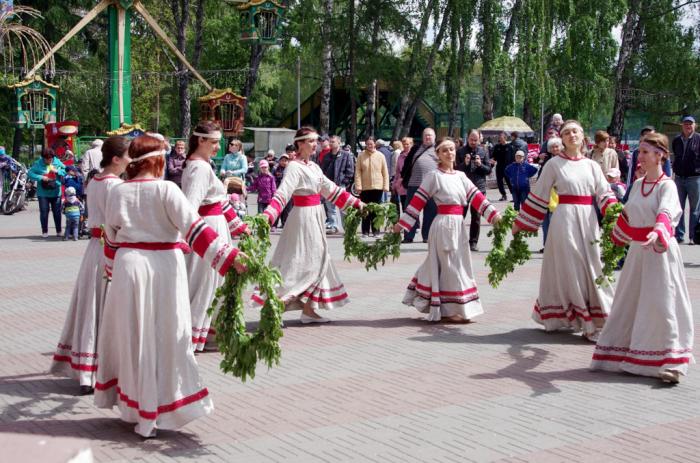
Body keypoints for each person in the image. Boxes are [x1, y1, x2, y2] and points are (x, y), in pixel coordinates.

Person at [95, 134, 247, 438]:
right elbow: (196, 230)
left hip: (128, 267)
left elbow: (110, 241)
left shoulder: (118, 192)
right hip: (163, 267)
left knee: (134, 336)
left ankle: (137, 407)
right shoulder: (167, 190)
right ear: (157, 161)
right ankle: (163, 407)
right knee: (167, 335)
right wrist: (230, 258)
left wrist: (112, 273)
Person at [591, 132, 693, 384]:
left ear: (661, 156)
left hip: (659, 253)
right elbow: (628, 216)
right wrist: (614, 238)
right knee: (630, 302)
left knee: (662, 304)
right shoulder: (637, 185)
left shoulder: (667, 185)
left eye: (646, 152)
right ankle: (627, 354)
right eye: (641, 152)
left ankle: (672, 362)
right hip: (637, 252)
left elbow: (667, 213)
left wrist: (658, 232)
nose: (641, 157)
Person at [512, 119, 618, 342]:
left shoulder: (591, 166)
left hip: (589, 220)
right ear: (561, 138)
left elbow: (605, 194)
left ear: (582, 136)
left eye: (575, 131)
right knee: (570, 266)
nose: (572, 135)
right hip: (564, 220)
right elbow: (539, 195)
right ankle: (581, 320)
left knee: (593, 265)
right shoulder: (553, 164)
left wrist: (617, 215)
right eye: (567, 132)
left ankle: (598, 315)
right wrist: (520, 223)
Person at [255, 127, 364, 323]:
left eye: (316, 141)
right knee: (300, 261)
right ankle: (276, 305)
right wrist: (268, 216)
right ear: (300, 143)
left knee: (318, 259)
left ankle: (308, 310)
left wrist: (358, 203)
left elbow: (330, 189)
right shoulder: (294, 167)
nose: (316, 144)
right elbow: (283, 193)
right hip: (302, 218)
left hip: (315, 216)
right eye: (311, 141)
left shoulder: (313, 167)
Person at [50, 136, 131, 394]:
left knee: (91, 307)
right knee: (107, 309)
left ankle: (87, 371)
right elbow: (120, 222)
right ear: (116, 159)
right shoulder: (116, 185)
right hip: (110, 249)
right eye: (128, 155)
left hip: (93, 250)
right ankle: (104, 371)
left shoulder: (93, 181)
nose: (132, 160)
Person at [393, 138, 501, 322]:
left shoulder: (460, 176)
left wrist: (495, 216)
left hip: (459, 226)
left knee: (457, 265)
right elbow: (417, 201)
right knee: (450, 266)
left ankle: (442, 302)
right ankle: (451, 309)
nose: (449, 153)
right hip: (443, 226)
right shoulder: (434, 176)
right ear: (438, 155)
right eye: (444, 150)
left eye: (451, 149)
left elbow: (477, 198)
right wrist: (402, 224)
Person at [181, 122, 250, 352]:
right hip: (207, 231)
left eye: (218, 142)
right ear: (199, 140)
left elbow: (220, 201)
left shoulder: (203, 165)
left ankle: (209, 333)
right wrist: (196, 239)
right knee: (204, 282)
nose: (217, 147)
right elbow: (190, 207)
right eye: (213, 142)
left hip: (215, 228)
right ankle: (189, 336)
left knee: (213, 282)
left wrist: (238, 226)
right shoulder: (199, 168)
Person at [400, 128, 438, 243]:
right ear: (422, 137)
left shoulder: (439, 150)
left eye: (430, 135)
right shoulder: (415, 148)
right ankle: (408, 236)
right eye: (426, 135)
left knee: (430, 212)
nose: (428, 137)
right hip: (414, 185)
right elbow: (407, 164)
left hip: (431, 186)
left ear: (434, 137)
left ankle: (427, 236)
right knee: (410, 211)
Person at [458, 129, 492, 252]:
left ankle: (473, 242)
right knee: (459, 215)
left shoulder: (483, 151)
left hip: (479, 188)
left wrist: (480, 164)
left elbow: (488, 170)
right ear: (468, 139)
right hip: (463, 188)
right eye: (471, 139)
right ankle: (458, 240)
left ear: (479, 140)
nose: (473, 142)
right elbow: (455, 169)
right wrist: (464, 163)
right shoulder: (460, 151)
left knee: (476, 217)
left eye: (475, 140)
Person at [672, 115, 700, 244]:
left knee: (695, 209)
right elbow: (675, 158)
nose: (688, 126)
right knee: (679, 207)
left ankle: (694, 237)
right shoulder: (676, 140)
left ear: (695, 125)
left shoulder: (698, 139)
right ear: (682, 126)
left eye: (690, 124)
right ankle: (679, 235)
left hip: (695, 178)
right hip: (679, 178)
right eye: (685, 124)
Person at [354, 136, 389, 237]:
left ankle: (376, 231)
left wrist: (386, 186)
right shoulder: (361, 156)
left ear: (375, 144)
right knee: (365, 210)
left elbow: (385, 172)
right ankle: (365, 231)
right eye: (367, 144)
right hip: (365, 187)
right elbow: (358, 172)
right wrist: (358, 186)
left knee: (376, 210)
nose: (369, 145)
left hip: (377, 187)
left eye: (371, 144)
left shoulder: (381, 156)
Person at [28, 148, 66, 238]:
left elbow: (65, 171)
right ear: (43, 158)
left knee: (57, 212)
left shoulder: (57, 162)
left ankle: (59, 231)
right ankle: (44, 231)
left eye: (50, 159)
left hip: (56, 192)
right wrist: (41, 177)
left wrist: (58, 171)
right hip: (43, 193)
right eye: (46, 159)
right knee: (44, 212)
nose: (49, 161)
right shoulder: (38, 163)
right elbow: (30, 173)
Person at [321, 135, 355, 233]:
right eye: (330, 142)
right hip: (329, 186)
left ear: (339, 143)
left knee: (343, 208)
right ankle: (333, 226)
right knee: (330, 209)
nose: (331, 143)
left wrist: (345, 181)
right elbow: (323, 170)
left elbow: (350, 171)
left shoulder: (346, 155)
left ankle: (347, 227)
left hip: (340, 185)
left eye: (333, 141)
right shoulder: (327, 156)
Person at [392, 137, 413, 212]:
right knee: (404, 208)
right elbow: (397, 172)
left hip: (412, 186)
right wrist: (394, 185)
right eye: (404, 144)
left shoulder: (414, 156)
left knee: (412, 210)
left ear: (411, 144)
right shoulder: (400, 156)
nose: (405, 146)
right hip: (402, 186)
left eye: (407, 144)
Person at [491, 132, 514, 201]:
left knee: (509, 182)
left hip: (508, 167)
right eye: (499, 138)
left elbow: (513, 158)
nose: (500, 139)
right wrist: (491, 165)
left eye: (501, 138)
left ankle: (514, 195)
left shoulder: (510, 147)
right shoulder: (497, 147)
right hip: (499, 167)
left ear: (505, 138)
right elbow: (494, 157)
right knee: (499, 182)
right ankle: (503, 195)